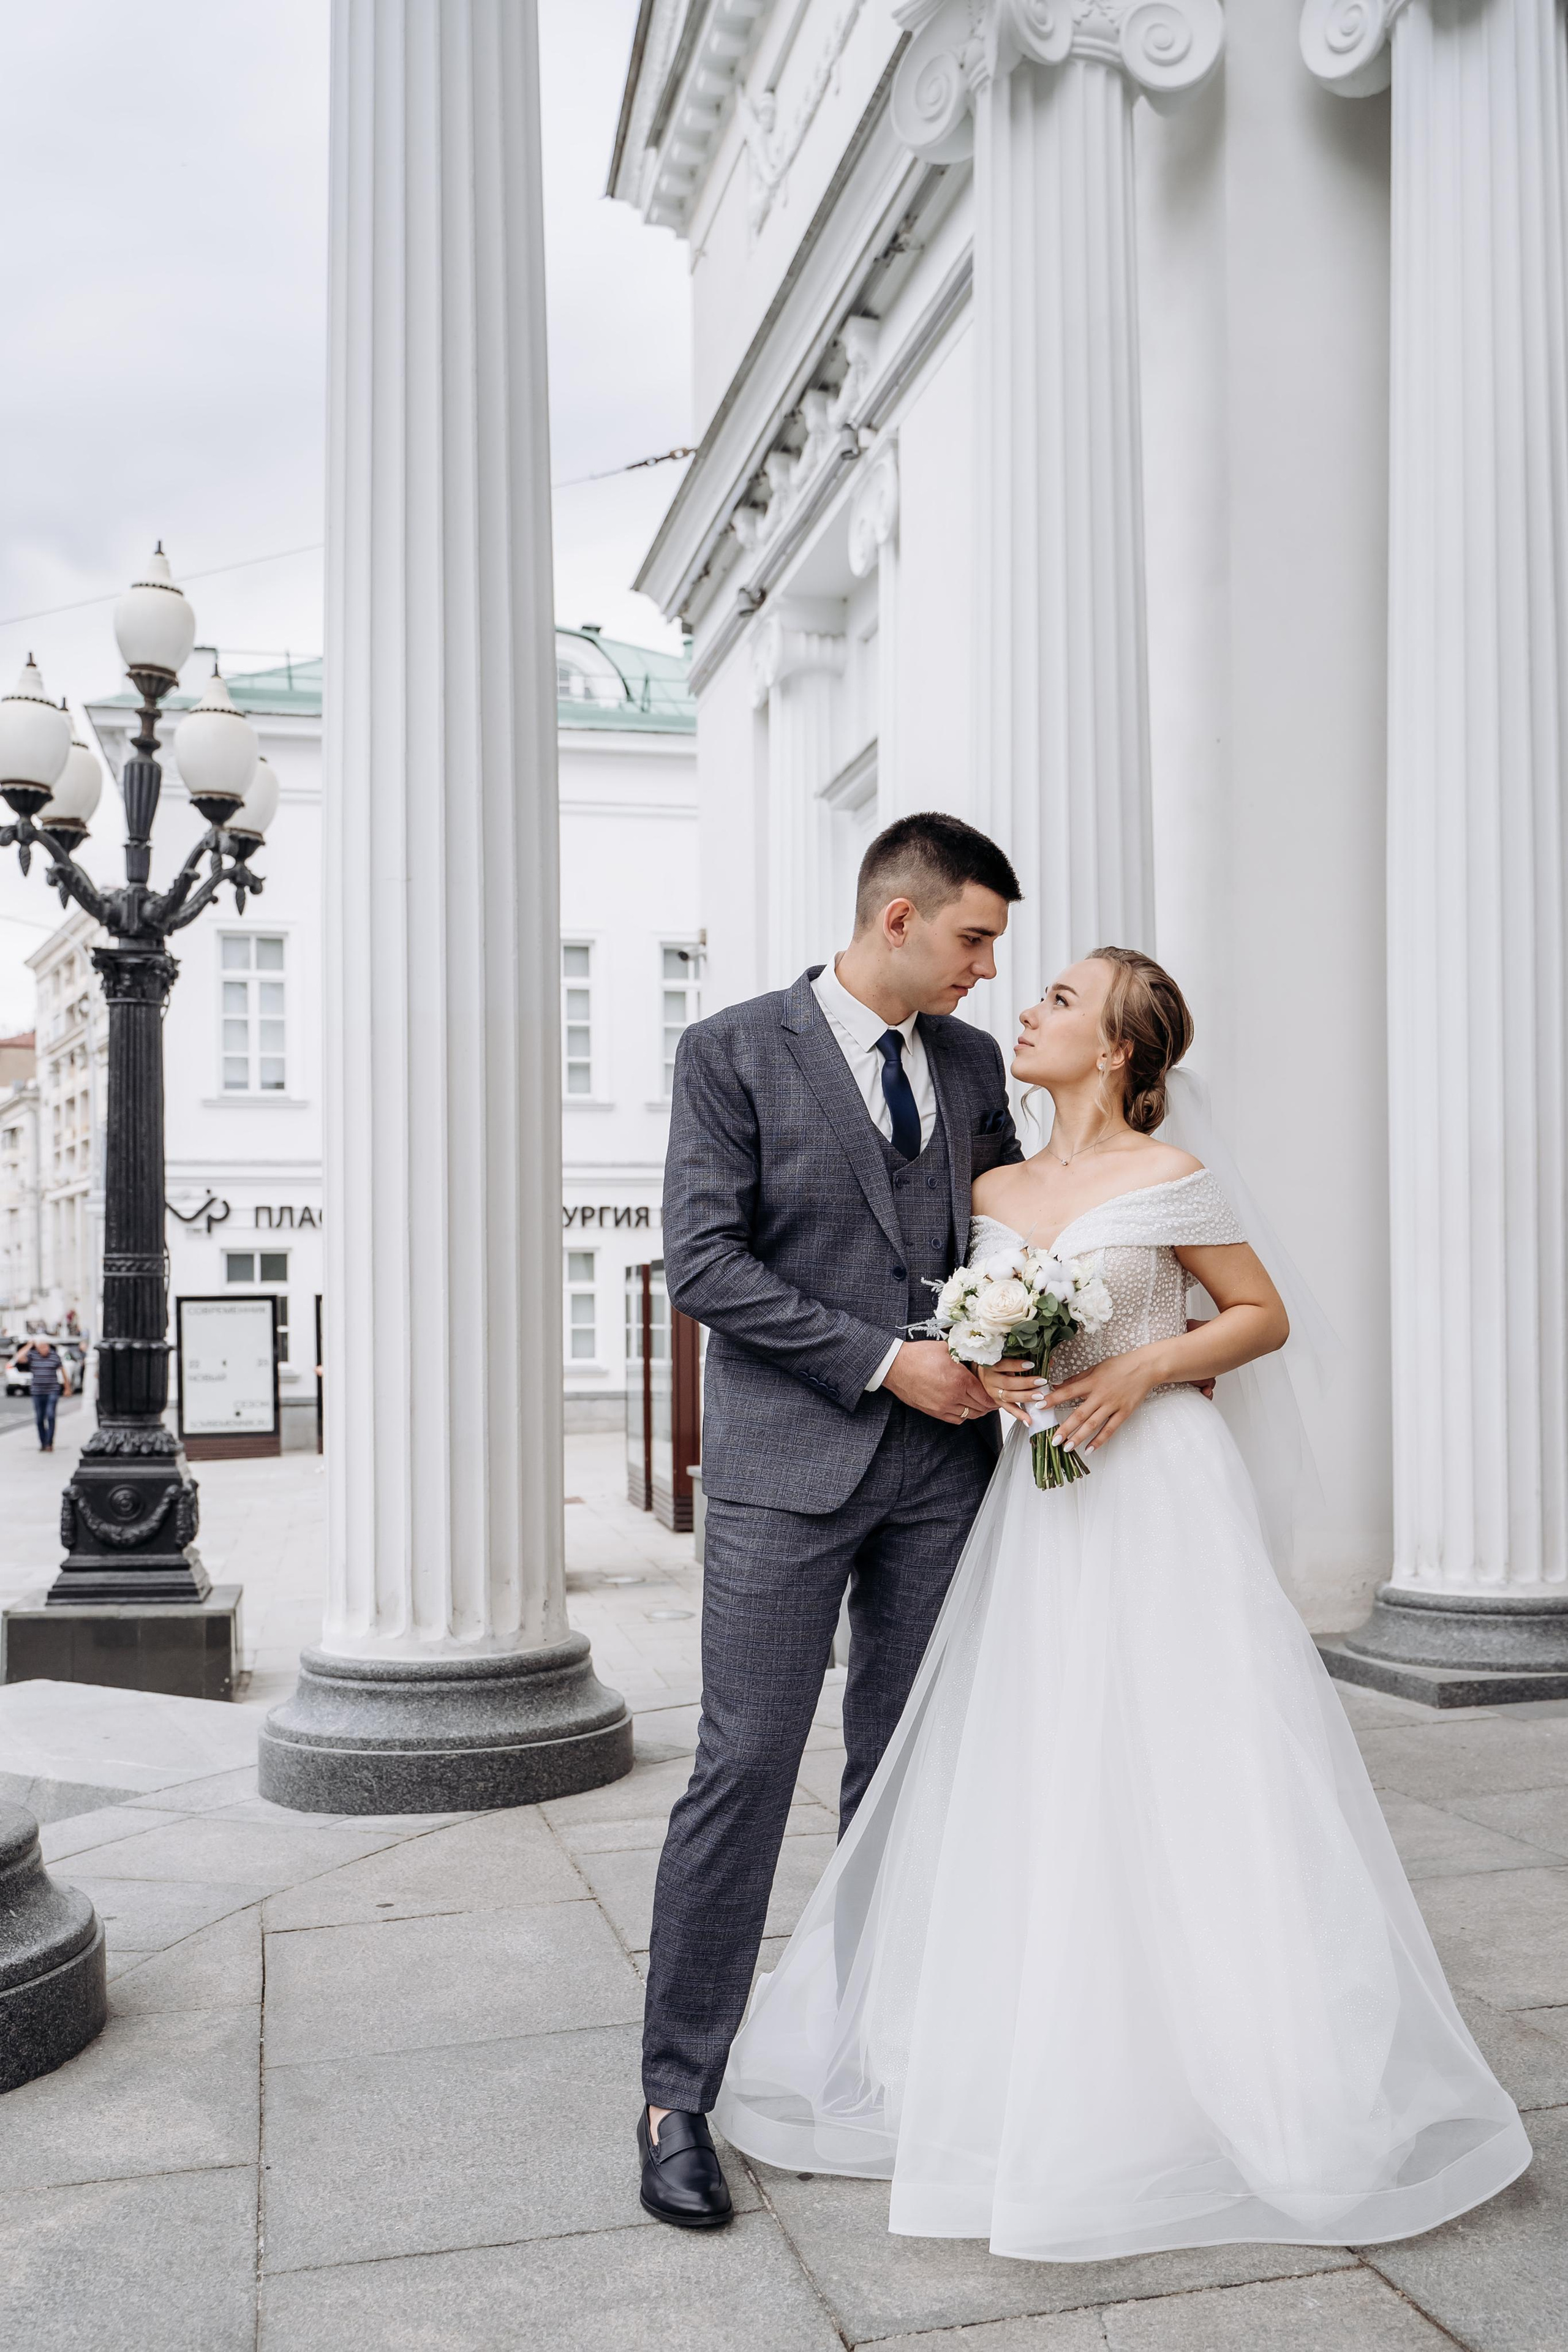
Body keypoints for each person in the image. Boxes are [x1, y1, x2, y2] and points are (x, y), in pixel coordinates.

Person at [715, 947, 1530, 2257]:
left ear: (1112, 1051)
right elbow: (965, 1328)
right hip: (1040, 1500)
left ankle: (1249, 2061)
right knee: (1042, 1760)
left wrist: (1147, 1367)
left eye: (1057, 1001)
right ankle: (1042, 2053)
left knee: (1193, 1756)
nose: (1024, 1009)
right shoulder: (988, 1187)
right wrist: (998, 1367)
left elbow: (1258, 1316)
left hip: (1158, 1488)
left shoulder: (1168, 1176)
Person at [638, 812, 1026, 2228]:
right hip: (783, 1471)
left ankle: (873, 2052)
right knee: (742, 1767)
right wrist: (879, 1360)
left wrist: (1056, 1330)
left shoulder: (971, 1063)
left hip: (944, 1472)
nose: (988, 967)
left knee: (906, 1772)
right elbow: (703, 1261)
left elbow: (1007, 1233)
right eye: (973, 936)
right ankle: (675, 2094)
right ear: (896, 917)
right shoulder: (731, 1051)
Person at [19, 1336, 64, 1450]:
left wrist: (68, 1387)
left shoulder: (54, 1356)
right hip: (37, 1392)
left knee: (51, 1415)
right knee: (39, 1418)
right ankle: (43, 1443)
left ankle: (49, 1443)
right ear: (37, 1348)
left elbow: (63, 1370)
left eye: (46, 1346)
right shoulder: (33, 1355)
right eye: (42, 1347)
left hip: (52, 1390)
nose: (45, 1349)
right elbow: (19, 1358)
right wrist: (29, 1345)